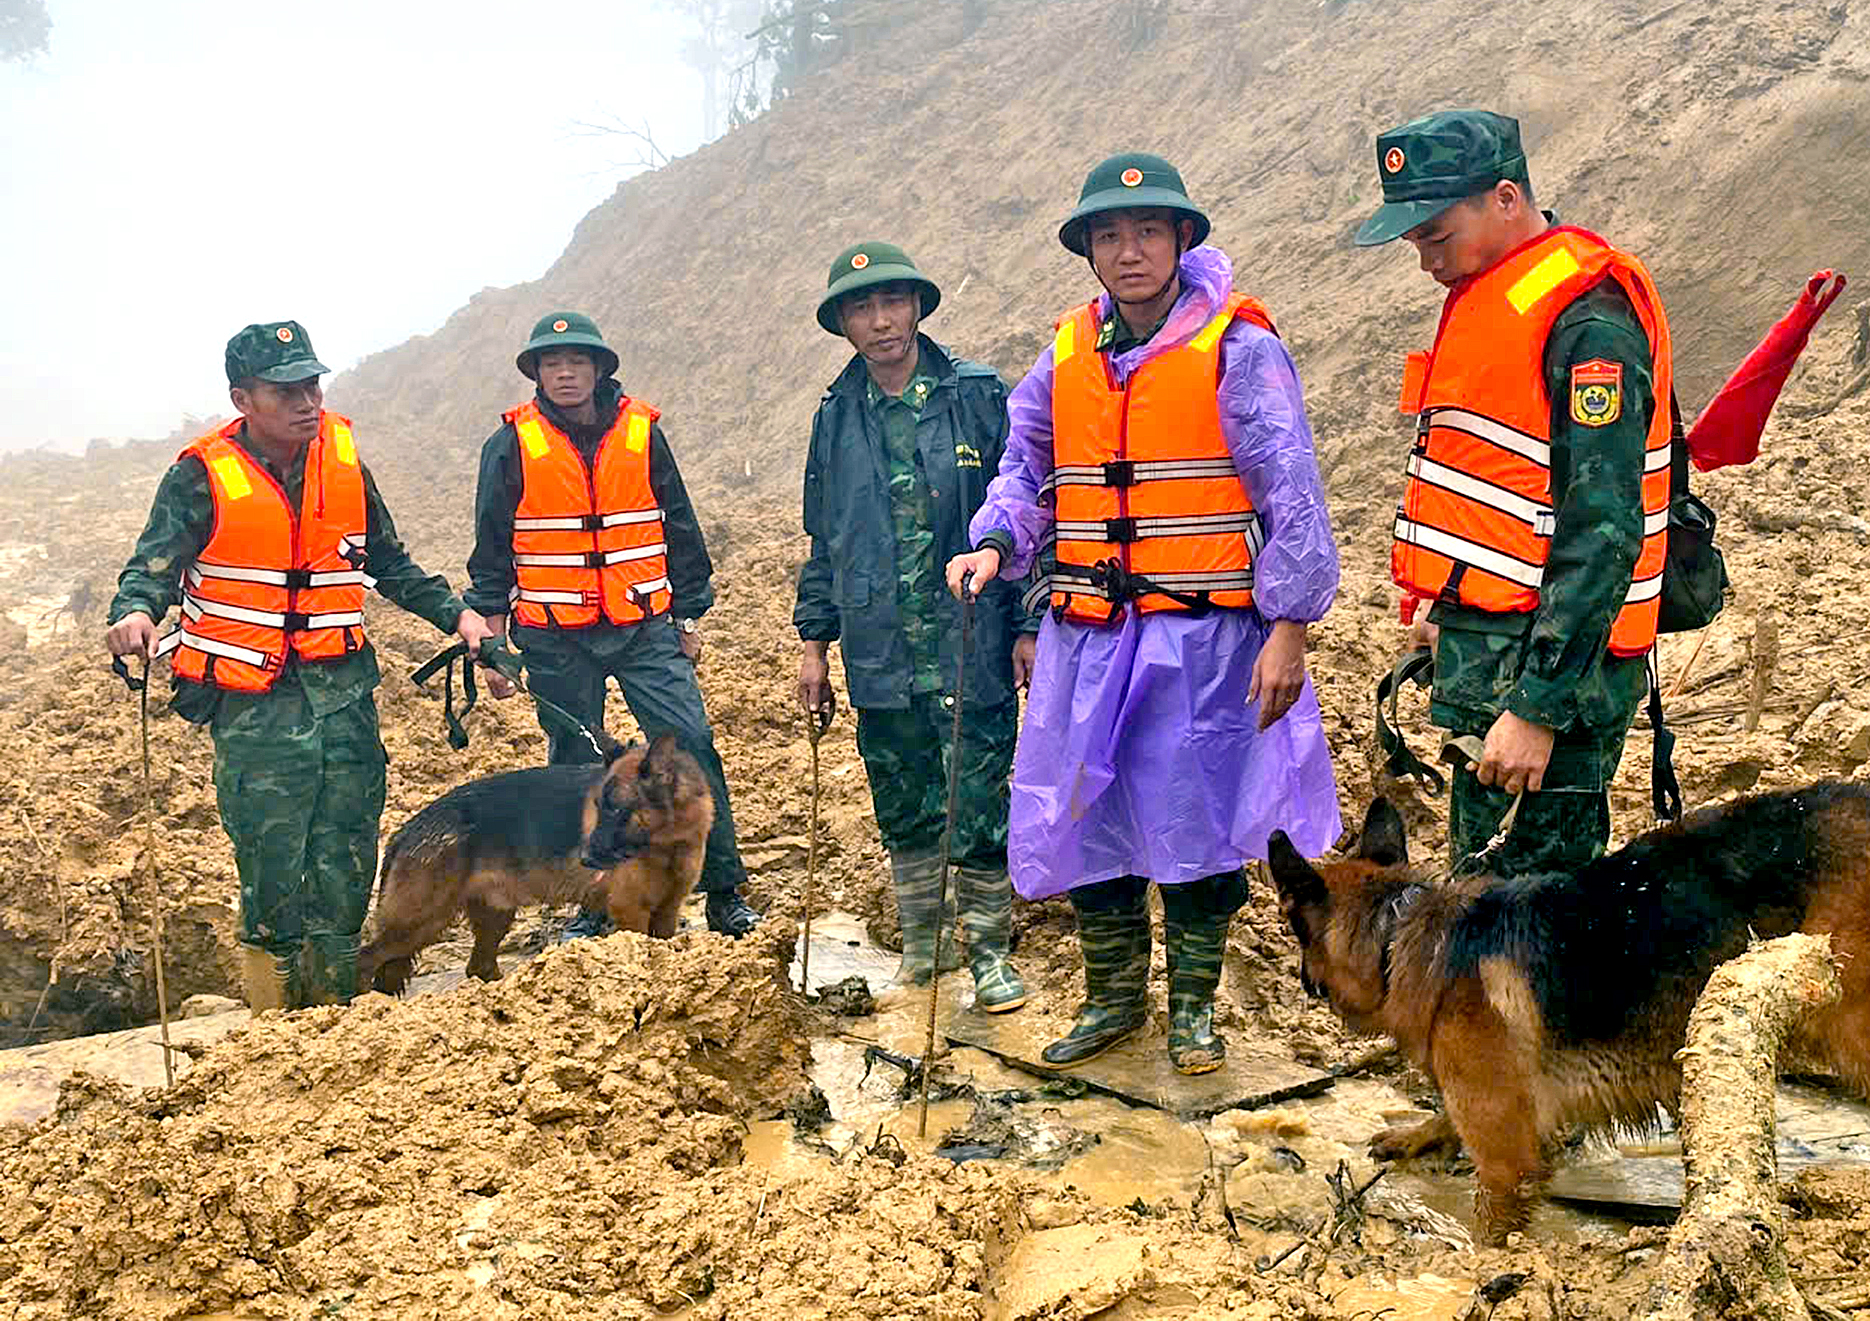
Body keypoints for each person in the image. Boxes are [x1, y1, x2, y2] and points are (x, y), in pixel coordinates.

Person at [947, 154, 1342, 1074]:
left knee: (1196, 824)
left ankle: (1194, 1011)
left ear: (1180, 242)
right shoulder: (1067, 355)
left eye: (1149, 233)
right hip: (1085, 635)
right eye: (1111, 236)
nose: (1130, 251)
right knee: (1091, 819)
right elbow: (1026, 466)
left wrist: (1289, 628)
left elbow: (1293, 490)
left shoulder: (1239, 347)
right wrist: (997, 542)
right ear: (1088, 251)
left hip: (1202, 641)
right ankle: (1114, 1002)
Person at [105, 321, 492, 1012]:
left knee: (346, 855)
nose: (306, 401)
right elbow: (152, 566)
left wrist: (456, 615)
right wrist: (136, 611)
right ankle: (274, 1024)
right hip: (255, 704)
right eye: (286, 390)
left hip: (341, 694)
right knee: (271, 860)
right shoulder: (200, 475)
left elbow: (389, 562)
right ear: (243, 398)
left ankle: (335, 1011)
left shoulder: (342, 464)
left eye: (312, 385)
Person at [1354, 110, 1673, 876]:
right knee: (1483, 901)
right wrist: (1451, 612)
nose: (1426, 259)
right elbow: (1497, 491)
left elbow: (1603, 529)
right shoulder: (1494, 297)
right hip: (1492, 657)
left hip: (1555, 682)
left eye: (1436, 235)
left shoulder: (1588, 318)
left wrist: (1538, 707)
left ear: (1504, 198)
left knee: (1530, 925)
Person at [466, 311, 760, 938]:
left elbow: (679, 525)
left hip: (644, 624)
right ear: (537, 374)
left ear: (601, 368)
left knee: (692, 745)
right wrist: (490, 639)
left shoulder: (642, 433)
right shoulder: (511, 445)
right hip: (553, 632)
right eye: (551, 363)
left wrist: (687, 615)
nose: (565, 372)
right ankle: (593, 902)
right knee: (575, 762)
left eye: (577, 360)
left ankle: (724, 890)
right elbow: (491, 544)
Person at [795, 243, 1033, 1012]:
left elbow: (1026, 509)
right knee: (903, 802)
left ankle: (992, 953)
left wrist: (1029, 622)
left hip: (972, 641)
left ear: (918, 307)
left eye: (892, 302)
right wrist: (813, 647)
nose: (880, 321)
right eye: (861, 308)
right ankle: (925, 953)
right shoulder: (834, 420)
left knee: (978, 799)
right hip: (879, 648)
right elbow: (823, 541)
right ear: (843, 324)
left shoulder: (976, 397)